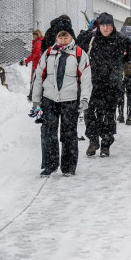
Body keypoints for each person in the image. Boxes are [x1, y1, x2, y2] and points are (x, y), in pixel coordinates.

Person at [31, 21, 92, 177]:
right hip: (49, 98)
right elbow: (38, 77)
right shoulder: (48, 54)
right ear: (56, 38)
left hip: (70, 99)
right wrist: (36, 100)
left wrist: (84, 99)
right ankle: (50, 164)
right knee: (48, 132)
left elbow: (86, 79)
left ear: (71, 37)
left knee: (69, 133)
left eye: (66, 37)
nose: (63, 41)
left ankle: (69, 166)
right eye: (60, 37)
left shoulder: (79, 54)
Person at [80, 13, 131, 158]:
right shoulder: (92, 38)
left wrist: (121, 60)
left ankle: (106, 144)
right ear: (99, 26)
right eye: (103, 25)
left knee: (109, 116)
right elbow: (78, 47)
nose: (106, 29)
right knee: (90, 114)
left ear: (113, 26)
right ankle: (93, 141)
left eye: (108, 26)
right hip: (93, 84)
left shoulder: (119, 39)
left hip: (112, 85)